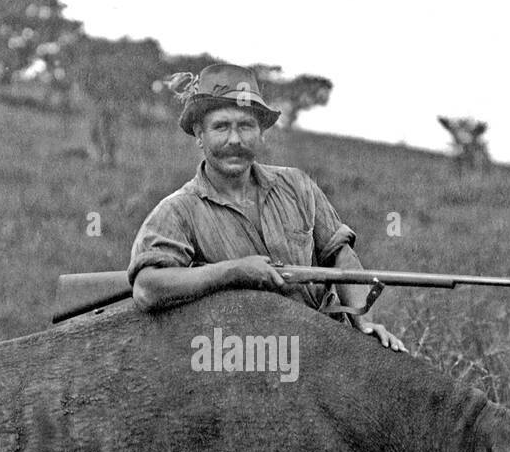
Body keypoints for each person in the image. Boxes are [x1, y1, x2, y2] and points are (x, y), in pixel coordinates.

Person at [128, 63, 406, 352]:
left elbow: (341, 257)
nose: (234, 140)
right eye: (221, 126)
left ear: (262, 134)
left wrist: (364, 320)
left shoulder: (298, 185)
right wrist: (233, 272)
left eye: (245, 126)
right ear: (200, 135)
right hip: (242, 355)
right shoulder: (177, 210)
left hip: (323, 344)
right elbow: (147, 288)